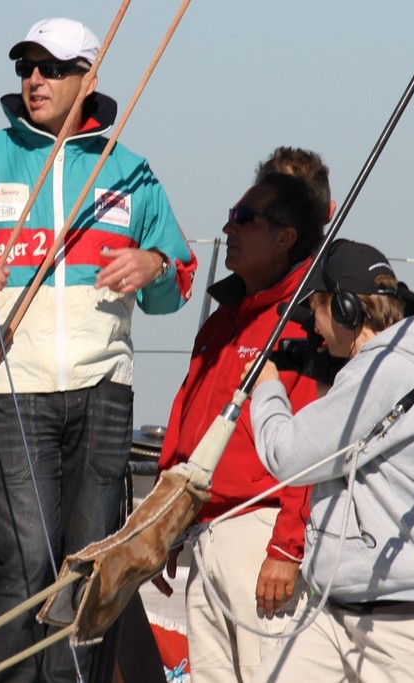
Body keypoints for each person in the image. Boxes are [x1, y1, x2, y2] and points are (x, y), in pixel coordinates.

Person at [0, 16, 195, 682]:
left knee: (89, 567)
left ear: (88, 79)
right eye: (26, 66)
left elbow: (179, 280)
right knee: (24, 561)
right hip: (13, 386)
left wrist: (152, 264)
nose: (34, 79)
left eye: (52, 67)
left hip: (105, 391)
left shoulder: (130, 172)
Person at [248, 239, 414, 682]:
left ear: (348, 310)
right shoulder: (384, 366)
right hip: (338, 610)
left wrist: (266, 386)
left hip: (412, 622)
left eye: (318, 312)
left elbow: (288, 455)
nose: (314, 329)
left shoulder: (386, 372)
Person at [154, 170, 324, 683]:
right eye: (230, 216)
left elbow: (313, 447)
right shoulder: (222, 320)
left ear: (285, 237)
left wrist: (285, 548)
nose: (228, 228)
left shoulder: (305, 324)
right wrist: (166, 522)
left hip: (263, 534)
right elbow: (184, 420)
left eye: (244, 218)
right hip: (206, 533)